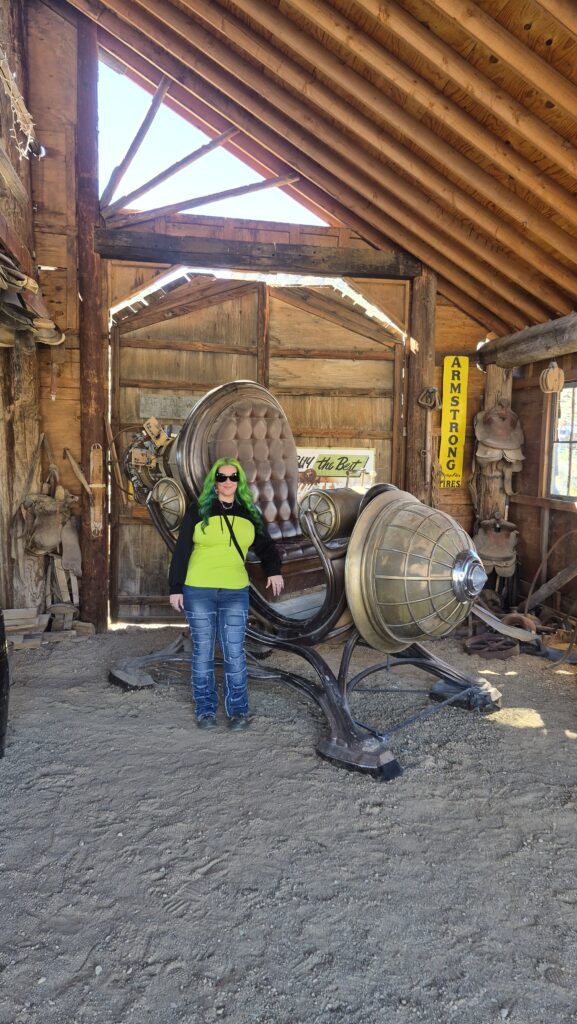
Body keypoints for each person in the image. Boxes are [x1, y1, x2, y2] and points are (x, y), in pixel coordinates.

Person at [169, 458, 284, 731]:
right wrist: (175, 587)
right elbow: (182, 550)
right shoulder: (199, 511)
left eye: (234, 478)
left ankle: (238, 711)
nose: (228, 482)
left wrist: (274, 570)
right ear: (215, 481)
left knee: (234, 653)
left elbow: (266, 546)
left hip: (235, 590)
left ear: (240, 482)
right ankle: (205, 710)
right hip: (199, 588)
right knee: (203, 652)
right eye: (222, 477)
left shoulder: (248, 512)